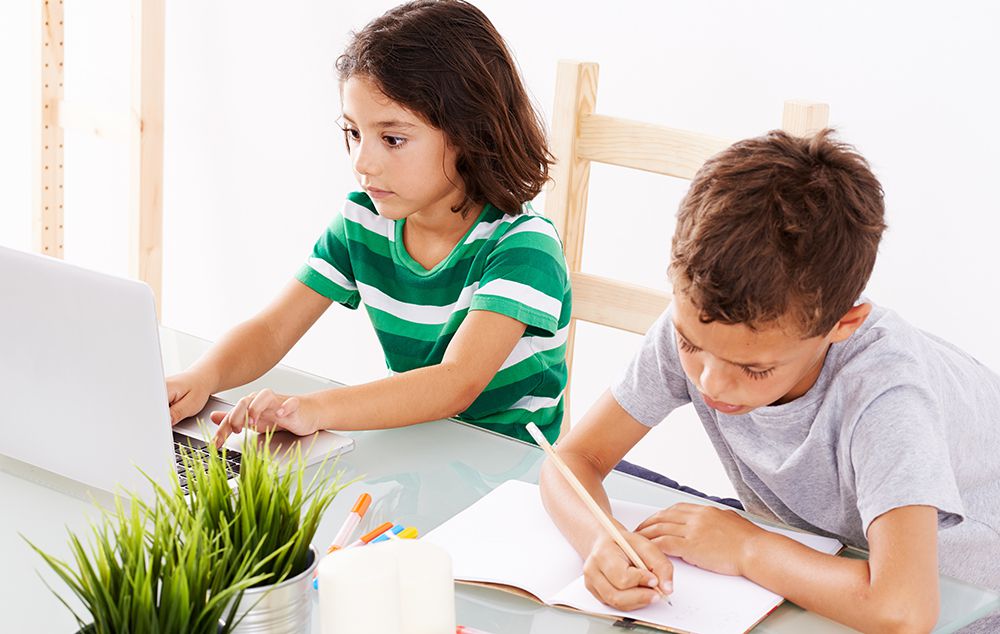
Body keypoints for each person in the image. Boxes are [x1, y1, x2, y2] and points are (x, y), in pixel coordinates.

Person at [539, 130, 1000, 632]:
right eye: (690, 345)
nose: (712, 383)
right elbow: (573, 460)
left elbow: (904, 611)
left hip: (968, 600)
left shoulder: (888, 397)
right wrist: (601, 539)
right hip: (828, 561)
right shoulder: (706, 324)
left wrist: (747, 548)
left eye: (754, 370)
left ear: (842, 325)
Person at [166, 0, 570, 446]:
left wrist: (314, 408)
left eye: (392, 139)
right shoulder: (363, 221)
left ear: (470, 133)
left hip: (509, 468)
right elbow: (273, 329)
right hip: (410, 451)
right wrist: (201, 377)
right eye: (354, 133)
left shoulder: (523, 246)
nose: (362, 162)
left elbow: (456, 382)